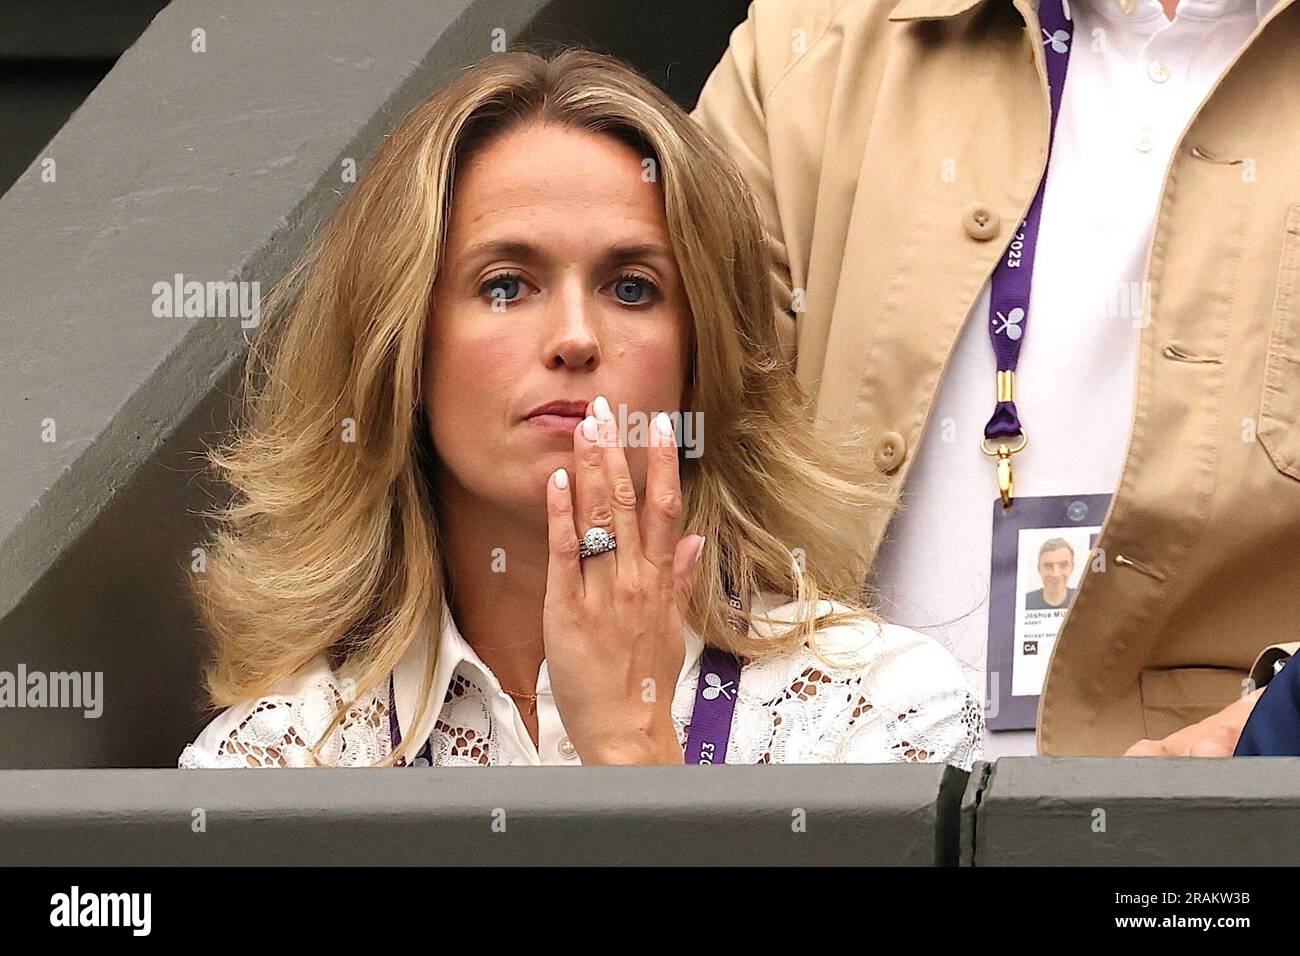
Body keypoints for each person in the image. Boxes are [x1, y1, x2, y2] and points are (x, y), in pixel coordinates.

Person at [178, 50, 983, 770]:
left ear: (703, 361)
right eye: (506, 286)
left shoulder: (877, 714)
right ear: (404, 351)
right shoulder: (284, 757)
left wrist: (633, 750)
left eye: (632, 287)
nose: (573, 338)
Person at [692, 0, 1300, 757]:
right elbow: (662, 460)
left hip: (1209, 837)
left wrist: (1281, 726)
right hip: (838, 819)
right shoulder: (808, 46)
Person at [1025, 538, 1076, 611]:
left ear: (1072, 568)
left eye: (1063, 565)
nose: (1055, 574)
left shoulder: (1083, 599)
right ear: (1039, 569)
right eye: (1048, 566)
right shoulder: (1025, 602)